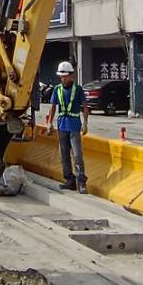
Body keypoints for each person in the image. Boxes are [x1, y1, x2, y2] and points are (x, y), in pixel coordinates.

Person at [44, 61, 90, 193]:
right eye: (61, 76)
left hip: (74, 126)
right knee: (64, 155)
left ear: (71, 75)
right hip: (62, 126)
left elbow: (85, 107)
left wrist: (85, 123)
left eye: (65, 76)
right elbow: (53, 107)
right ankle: (70, 180)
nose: (63, 78)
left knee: (77, 154)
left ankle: (81, 181)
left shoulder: (78, 89)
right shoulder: (57, 89)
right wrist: (49, 123)